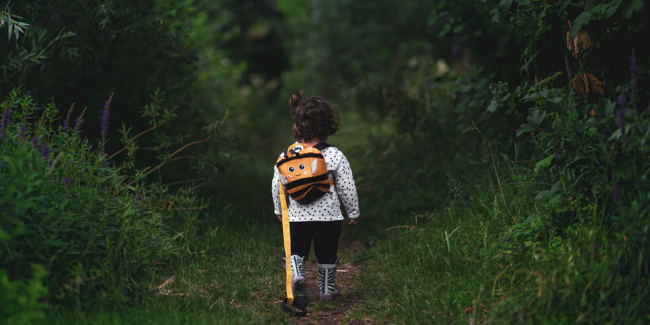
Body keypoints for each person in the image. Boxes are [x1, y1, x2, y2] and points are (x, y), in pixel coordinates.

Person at [272, 91, 360, 306]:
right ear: (328, 126)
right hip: (329, 218)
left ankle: (298, 278)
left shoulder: (286, 155)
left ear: (298, 125)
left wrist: (279, 211)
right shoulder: (335, 154)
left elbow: (277, 186)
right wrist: (353, 212)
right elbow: (347, 187)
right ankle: (327, 289)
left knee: (296, 251)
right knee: (327, 251)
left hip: (296, 218)